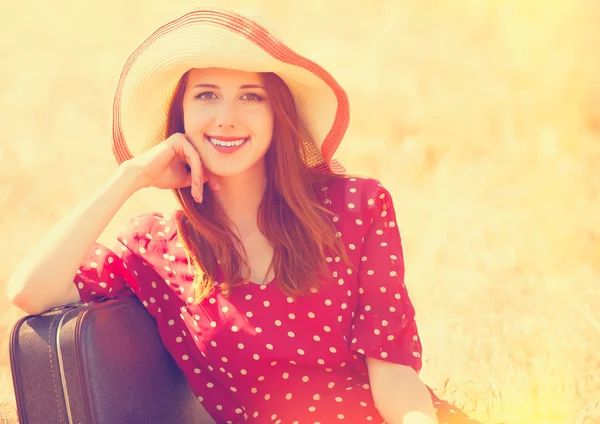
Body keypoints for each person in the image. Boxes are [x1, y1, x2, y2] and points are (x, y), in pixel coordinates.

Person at [6, 8, 481, 424]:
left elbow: (394, 378)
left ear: (279, 114)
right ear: (181, 116)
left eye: (250, 96)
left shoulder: (356, 208)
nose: (226, 118)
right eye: (206, 95)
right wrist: (131, 175)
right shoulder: (156, 251)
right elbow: (29, 290)